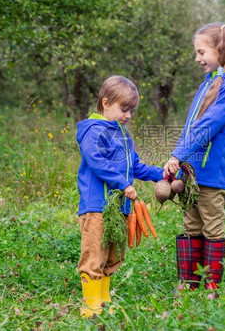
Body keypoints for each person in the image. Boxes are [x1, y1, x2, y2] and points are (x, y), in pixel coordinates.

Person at [163, 22, 225, 292]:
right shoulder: (208, 84)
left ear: (220, 49)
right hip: (193, 174)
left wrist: (178, 154)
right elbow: (191, 127)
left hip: (213, 176)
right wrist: (177, 160)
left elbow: (207, 126)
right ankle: (189, 286)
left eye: (201, 52)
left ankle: (211, 290)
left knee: (212, 229)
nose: (197, 58)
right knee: (191, 225)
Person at [76, 75, 163, 317]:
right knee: (94, 254)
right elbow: (96, 161)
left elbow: (137, 167)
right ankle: (90, 307)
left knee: (111, 255)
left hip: (119, 210)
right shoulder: (93, 131)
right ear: (106, 103)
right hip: (97, 208)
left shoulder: (124, 136)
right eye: (124, 109)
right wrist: (123, 185)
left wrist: (163, 175)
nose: (128, 115)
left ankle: (102, 301)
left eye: (131, 111)